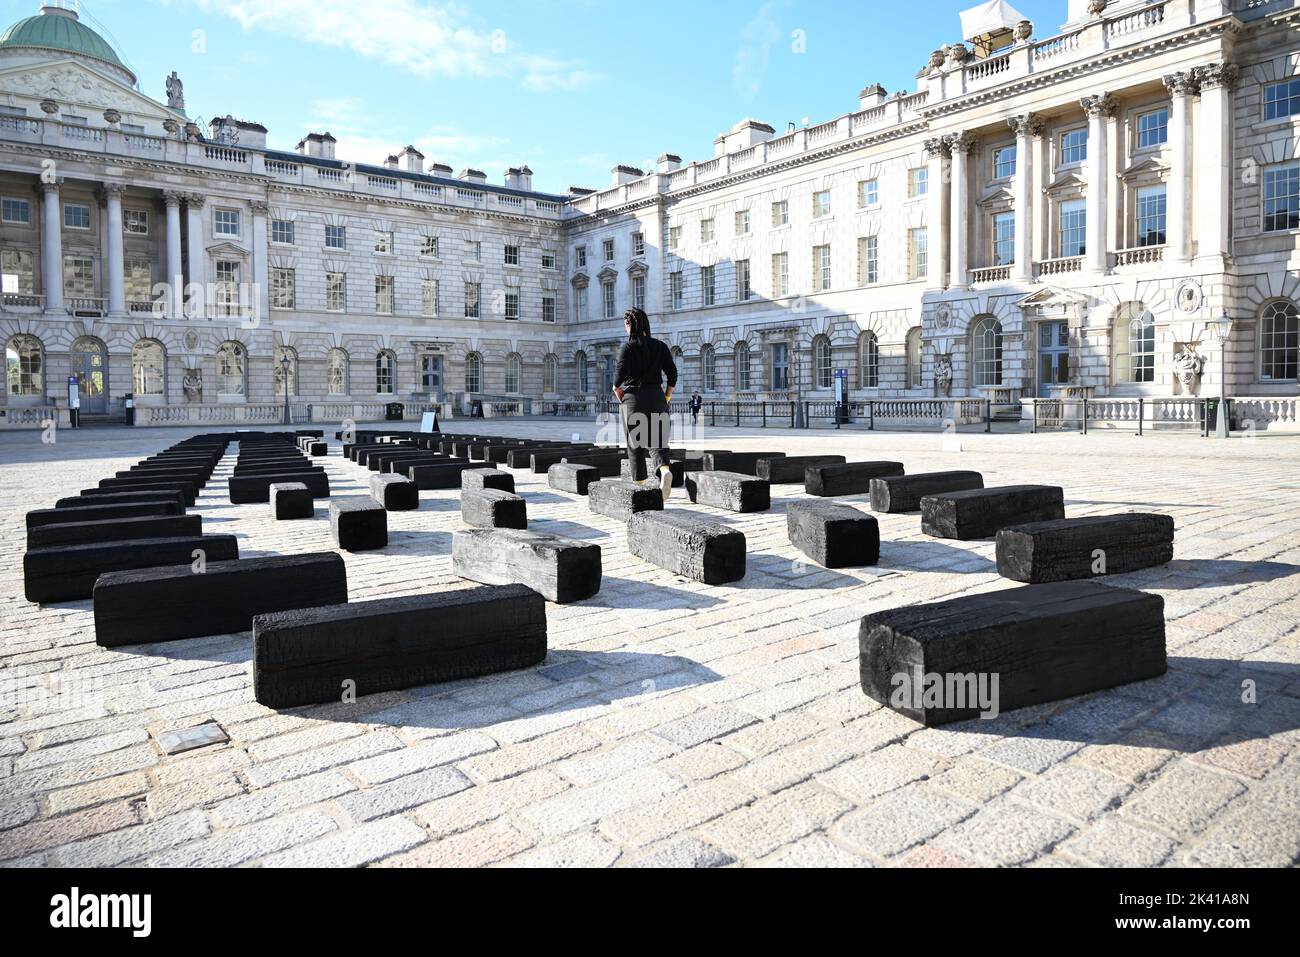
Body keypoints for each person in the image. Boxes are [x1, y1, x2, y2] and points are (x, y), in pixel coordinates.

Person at [613, 307, 677, 503]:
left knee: (635, 443)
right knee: (657, 440)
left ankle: (640, 485)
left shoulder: (628, 347)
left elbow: (619, 376)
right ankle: (664, 470)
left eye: (626, 325)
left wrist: (617, 389)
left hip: (633, 398)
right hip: (656, 396)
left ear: (629, 325)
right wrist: (666, 396)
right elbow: (672, 374)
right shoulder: (660, 346)